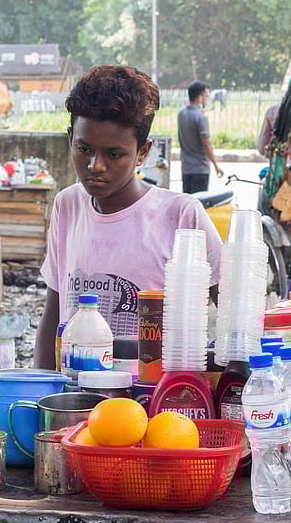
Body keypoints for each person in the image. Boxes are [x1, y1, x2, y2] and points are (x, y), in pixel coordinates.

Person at [33, 65, 222, 364]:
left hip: (153, 400)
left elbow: (233, 316)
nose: (95, 165)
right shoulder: (67, 205)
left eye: (113, 154)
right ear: (70, 138)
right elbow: (53, 313)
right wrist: (41, 388)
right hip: (76, 396)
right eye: (84, 148)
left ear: (143, 152)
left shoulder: (182, 216)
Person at [176, 80, 223, 193]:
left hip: (186, 169)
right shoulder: (200, 117)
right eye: (206, 96)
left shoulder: (181, 114)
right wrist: (216, 165)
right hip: (200, 169)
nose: (207, 99)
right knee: (198, 205)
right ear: (200, 97)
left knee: (187, 204)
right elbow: (206, 145)